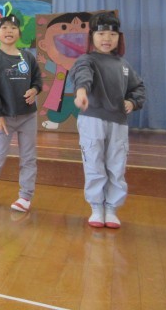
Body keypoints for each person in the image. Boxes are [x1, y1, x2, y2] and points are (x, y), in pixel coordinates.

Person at [70, 12, 145, 229]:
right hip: (93, 120)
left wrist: (132, 102)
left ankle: (111, 209)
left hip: (118, 122)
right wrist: (81, 91)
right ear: (92, 36)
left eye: (112, 34)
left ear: (118, 37)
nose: (107, 38)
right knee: (94, 163)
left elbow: (138, 87)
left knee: (116, 165)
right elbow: (82, 75)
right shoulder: (87, 60)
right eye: (101, 34)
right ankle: (96, 207)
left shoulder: (124, 65)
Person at [0, 3, 42, 212]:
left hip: (28, 116)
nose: (9, 31)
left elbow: (38, 80)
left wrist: (34, 90)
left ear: (19, 33)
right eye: (4, 28)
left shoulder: (28, 57)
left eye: (13, 28)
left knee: (29, 157)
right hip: (4, 118)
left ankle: (25, 197)